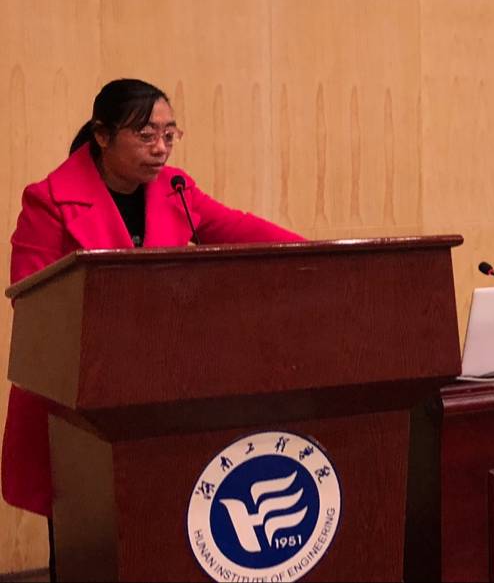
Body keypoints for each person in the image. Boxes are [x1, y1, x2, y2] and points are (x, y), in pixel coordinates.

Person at [2, 78, 304, 555]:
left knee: (159, 533)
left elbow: (239, 227)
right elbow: (33, 300)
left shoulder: (175, 190)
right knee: (89, 537)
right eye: (146, 136)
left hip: (157, 387)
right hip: (77, 402)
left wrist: (316, 255)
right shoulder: (49, 200)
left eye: (169, 134)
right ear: (103, 136)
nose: (161, 148)